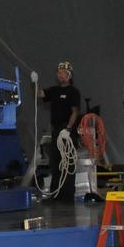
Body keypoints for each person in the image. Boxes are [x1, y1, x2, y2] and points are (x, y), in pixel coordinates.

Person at [36, 60, 81, 202]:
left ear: (69, 75)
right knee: (55, 163)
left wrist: (68, 129)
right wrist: (34, 82)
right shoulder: (54, 90)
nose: (60, 76)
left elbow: (75, 111)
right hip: (56, 130)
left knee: (67, 162)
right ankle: (55, 194)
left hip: (67, 131)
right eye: (59, 73)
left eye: (63, 73)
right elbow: (41, 94)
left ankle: (68, 196)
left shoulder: (73, 92)